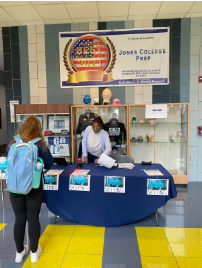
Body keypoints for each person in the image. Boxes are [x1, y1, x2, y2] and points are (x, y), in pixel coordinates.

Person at [6, 116, 53, 264]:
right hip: (33, 186)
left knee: (19, 218)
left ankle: (19, 253)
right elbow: (50, 163)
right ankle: (34, 253)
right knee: (33, 218)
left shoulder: (12, 141)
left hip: (14, 187)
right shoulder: (39, 144)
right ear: (38, 129)